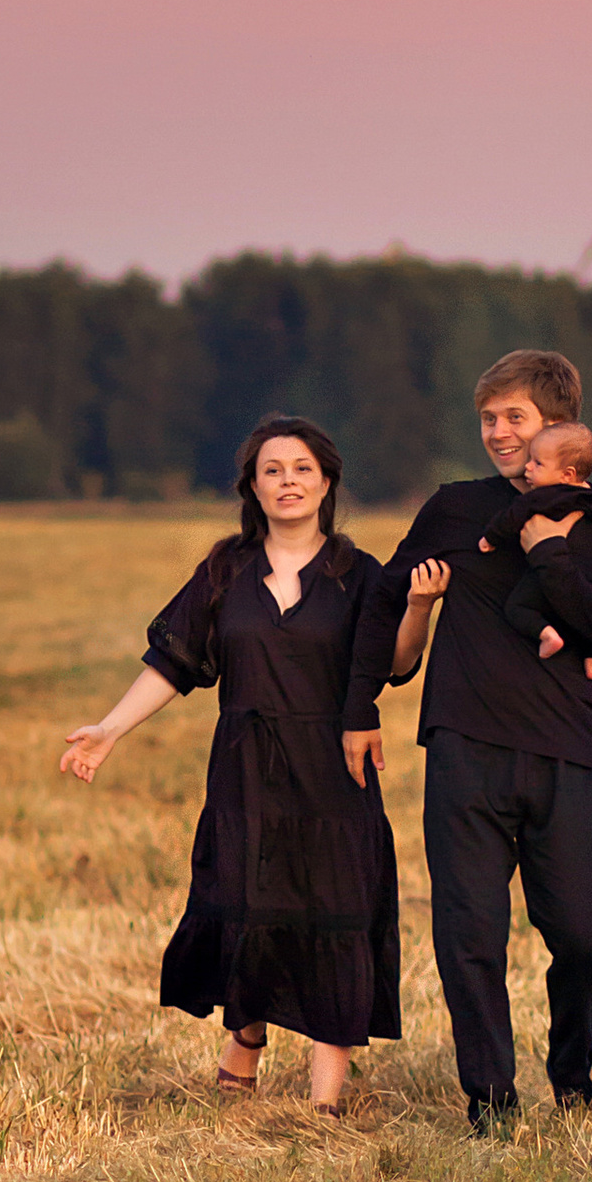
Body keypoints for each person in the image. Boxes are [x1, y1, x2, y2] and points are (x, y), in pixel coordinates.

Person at [59, 417, 401, 1112]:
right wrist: (111, 728)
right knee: (245, 904)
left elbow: (395, 664)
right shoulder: (225, 570)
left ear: (327, 481)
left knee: (333, 912)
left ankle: (324, 1103)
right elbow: (174, 662)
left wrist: (419, 603)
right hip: (245, 770)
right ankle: (245, 1036)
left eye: (302, 468)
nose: (288, 481)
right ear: (251, 485)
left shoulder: (358, 575)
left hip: (334, 771)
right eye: (272, 469)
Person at [379, 350, 592, 1127]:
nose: (497, 433)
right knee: (471, 934)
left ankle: (572, 1069)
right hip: (464, 743)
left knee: (589, 933)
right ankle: (490, 1099)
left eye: (514, 418)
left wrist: (545, 547)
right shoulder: (456, 509)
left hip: (565, 748)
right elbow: (385, 601)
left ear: (557, 425)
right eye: (488, 419)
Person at [474, 419, 592, 675]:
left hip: (553, 571)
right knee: (590, 615)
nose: (528, 467)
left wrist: (490, 538)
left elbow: (513, 516)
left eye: (538, 463)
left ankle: (547, 635)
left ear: (567, 475)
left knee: (517, 607)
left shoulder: (544, 496)